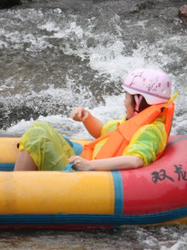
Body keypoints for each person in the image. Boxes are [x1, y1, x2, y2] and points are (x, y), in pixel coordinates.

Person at [14, 68, 175, 172]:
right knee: (40, 127)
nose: (124, 101)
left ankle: (17, 189)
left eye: (126, 97)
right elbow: (103, 132)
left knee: (37, 137)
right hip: (86, 164)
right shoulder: (135, 121)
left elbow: (135, 160)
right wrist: (86, 117)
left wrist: (90, 166)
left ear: (140, 101)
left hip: (86, 177)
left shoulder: (150, 130)